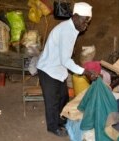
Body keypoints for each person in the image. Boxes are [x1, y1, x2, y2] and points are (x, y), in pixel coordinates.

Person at [36, 2, 96, 137]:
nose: (86, 25)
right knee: (52, 101)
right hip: (48, 69)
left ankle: (61, 120)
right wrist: (85, 72)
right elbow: (66, 60)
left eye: (88, 22)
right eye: (84, 20)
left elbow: (65, 56)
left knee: (63, 97)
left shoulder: (72, 28)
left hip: (58, 69)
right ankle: (53, 127)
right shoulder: (66, 30)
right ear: (75, 17)